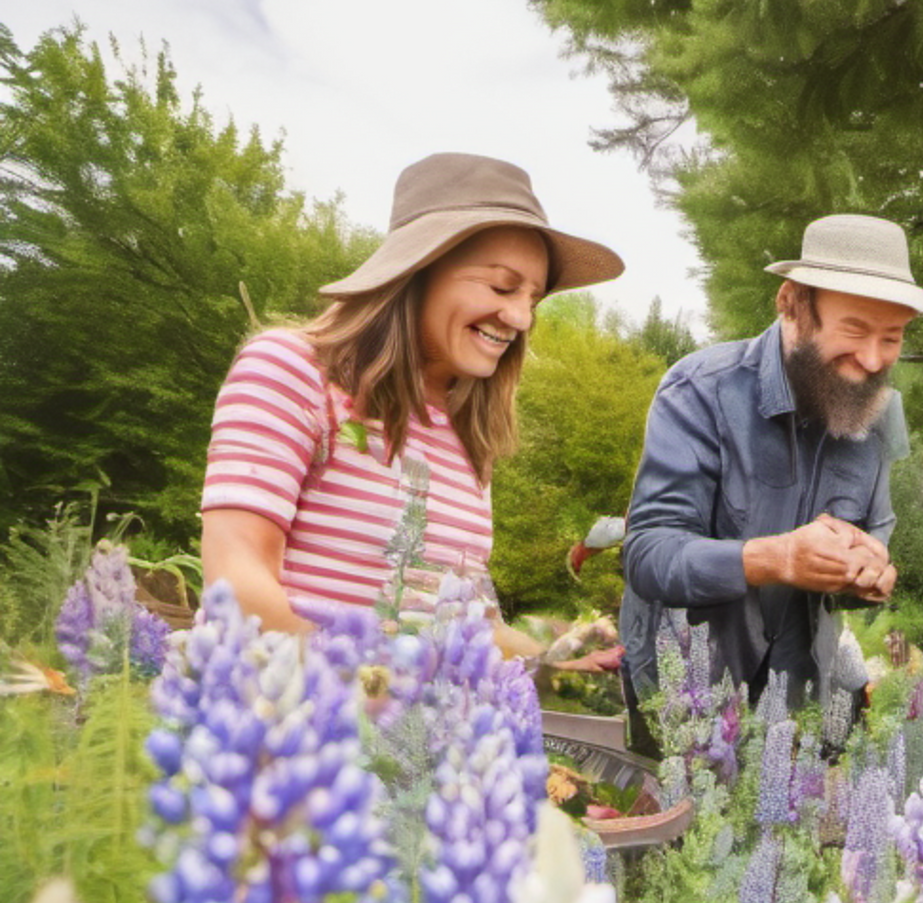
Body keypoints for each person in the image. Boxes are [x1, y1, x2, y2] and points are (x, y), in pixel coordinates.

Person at [201, 153, 623, 630]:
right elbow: (236, 580)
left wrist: (556, 656)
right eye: (503, 288)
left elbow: (462, 624)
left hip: (413, 707)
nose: (522, 319)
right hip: (289, 699)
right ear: (418, 271)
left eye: (533, 298)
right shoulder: (293, 370)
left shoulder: (467, 430)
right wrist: (356, 691)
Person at [620, 213, 923, 711]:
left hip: (798, 705)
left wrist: (869, 574)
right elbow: (648, 555)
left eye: (893, 338)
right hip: (682, 701)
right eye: (854, 330)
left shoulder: (882, 416)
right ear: (790, 305)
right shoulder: (700, 389)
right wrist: (779, 559)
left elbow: (875, 536)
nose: (874, 360)